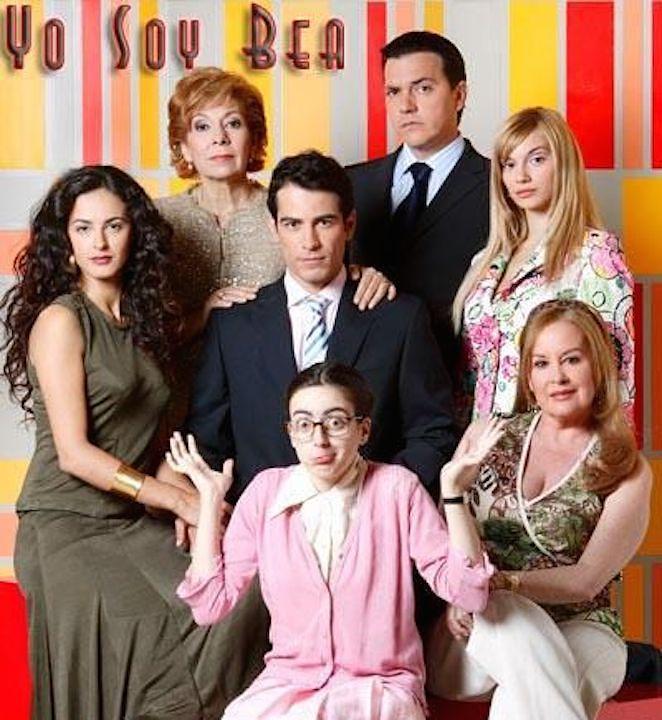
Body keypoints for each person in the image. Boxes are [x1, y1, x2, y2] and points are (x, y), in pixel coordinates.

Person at [1, 166, 267, 719]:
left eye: (114, 226)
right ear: (65, 241)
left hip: (128, 521)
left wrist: (207, 312)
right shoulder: (61, 320)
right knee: (134, 636)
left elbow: (150, 406)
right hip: (65, 523)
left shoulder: (145, 317)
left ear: (134, 232)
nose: (99, 242)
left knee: (239, 593)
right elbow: (74, 454)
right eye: (83, 228)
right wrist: (176, 500)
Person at [169, 361, 496, 720]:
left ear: (363, 430)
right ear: (290, 433)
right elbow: (209, 606)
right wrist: (210, 501)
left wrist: (453, 494)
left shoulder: (397, 488)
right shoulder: (265, 493)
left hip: (381, 687)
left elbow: (468, 594)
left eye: (336, 422)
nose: (319, 440)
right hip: (288, 684)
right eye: (304, 424)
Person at [174, 150, 456, 504]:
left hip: (371, 519)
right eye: (293, 224)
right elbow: (207, 443)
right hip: (265, 522)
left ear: (349, 225)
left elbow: (433, 433)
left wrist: (381, 499)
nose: (310, 242)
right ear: (274, 229)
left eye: (324, 222)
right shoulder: (233, 326)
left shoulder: (400, 318)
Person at [425, 299, 652, 720]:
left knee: (555, 679)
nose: (557, 377)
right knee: (508, 612)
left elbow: (585, 582)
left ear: (598, 366)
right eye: (542, 363)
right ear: (528, 377)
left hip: (583, 624)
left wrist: (502, 581)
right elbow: (441, 540)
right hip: (474, 627)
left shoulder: (626, 467)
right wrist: (468, 589)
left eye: (572, 360)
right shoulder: (486, 436)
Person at [158, 67, 395, 426]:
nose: (219, 138)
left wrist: (366, 275)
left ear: (254, 138)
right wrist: (202, 316)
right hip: (171, 399)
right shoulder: (158, 221)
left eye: (233, 124)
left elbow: (330, 275)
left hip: (268, 404)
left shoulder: (294, 209)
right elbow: (133, 329)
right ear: (182, 144)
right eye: (202, 126)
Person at [453, 107, 634, 422]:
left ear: (563, 164)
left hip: (555, 443)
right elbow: (470, 379)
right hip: (482, 443)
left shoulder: (594, 255)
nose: (520, 176)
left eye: (536, 160)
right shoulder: (485, 263)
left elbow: (614, 377)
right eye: (509, 164)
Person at [347, 31, 490, 378]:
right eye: (393, 92)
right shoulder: (350, 184)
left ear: (459, 95)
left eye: (423, 88)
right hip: (357, 391)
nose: (405, 105)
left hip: (456, 387)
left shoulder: (502, 188)